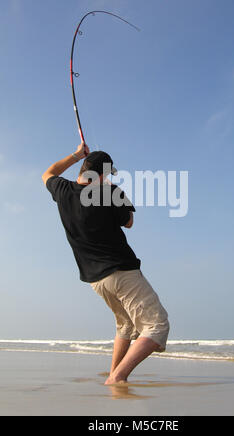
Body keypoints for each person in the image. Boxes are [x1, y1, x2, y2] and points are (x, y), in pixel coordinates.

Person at [42, 142, 170, 385]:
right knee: (157, 326)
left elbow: (48, 173)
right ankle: (118, 377)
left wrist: (75, 155)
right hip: (122, 272)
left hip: (96, 280)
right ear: (100, 175)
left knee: (126, 326)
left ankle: (113, 374)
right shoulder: (108, 193)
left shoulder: (63, 190)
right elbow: (129, 221)